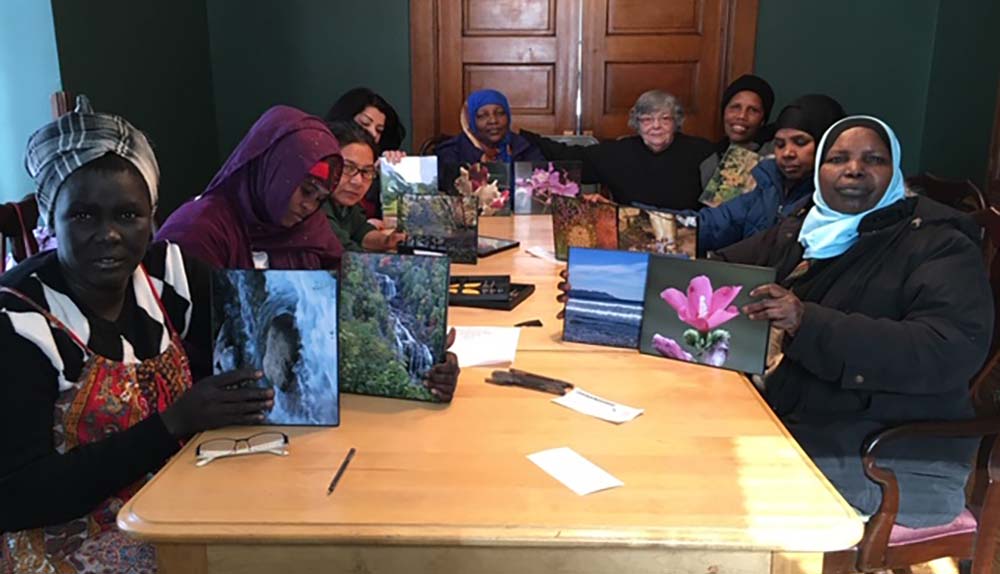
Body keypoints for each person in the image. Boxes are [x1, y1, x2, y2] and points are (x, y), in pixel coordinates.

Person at [0, 96, 274, 573]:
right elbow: (19, 495)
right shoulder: (19, 322)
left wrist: (410, 366)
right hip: (65, 544)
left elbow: (274, 327)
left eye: (128, 215)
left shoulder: (166, 272)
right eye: (84, 215)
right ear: (51, 218)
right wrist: (173, 424)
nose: (108, 234)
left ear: (151, 216)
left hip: (170, 505)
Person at [719, 116, 993, 527]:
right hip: (806, 418)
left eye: (874, 159)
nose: (853, 168)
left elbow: (946, 349)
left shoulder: (939, 244)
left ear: (895, 169)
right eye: (838, 158)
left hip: (887, 455)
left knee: (721, 491)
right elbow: (720, 268)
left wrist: (806, 322)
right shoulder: (809, 227)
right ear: (820, 171)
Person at [156, 106, 346, 270]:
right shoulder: (197, 231)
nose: (309, 207)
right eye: (306, 190)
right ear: (273, 171)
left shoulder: (311, 229)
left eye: (320, 200)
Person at [690, 94, 846, 253]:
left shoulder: (840, 200)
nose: (787, 153)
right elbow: (713, 225)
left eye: (800, 142)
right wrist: (664, 226)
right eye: (779, 144)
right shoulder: (766, 182)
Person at [521, 90, 716, 210]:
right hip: (630, 244)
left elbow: (718, 210)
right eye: (647, 119)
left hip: (688, 243)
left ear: (677, 122)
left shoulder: (702, 152)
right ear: (636, 123)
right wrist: (523, 137)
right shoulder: (617, 152)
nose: (656, 126)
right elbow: (568, 157)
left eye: (665, 119)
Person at [324, 87, 407, 219]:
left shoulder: (377, 167)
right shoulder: (322, 165)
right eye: (365, 123)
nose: (372, 133)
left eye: (379, 130)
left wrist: (390, 177)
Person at [323, 121, 406, 251]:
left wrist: (387, 241)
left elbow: (362, 231)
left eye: (366, 171)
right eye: (348, 168)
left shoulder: (345, 203)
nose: (358, 181)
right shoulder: (314, 204)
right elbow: (348, 255)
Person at [699, 74, 775, 189]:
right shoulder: (710, 156)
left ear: (763, 120)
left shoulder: (772, 153)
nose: (742, 116)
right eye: (735, 107)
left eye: (753, 110)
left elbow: (724, 203)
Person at [435, 89, 545, 164]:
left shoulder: (522, 146)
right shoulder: (452, 152)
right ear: (471, 121)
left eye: (500, 113)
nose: (493, 121)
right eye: (482, 116)